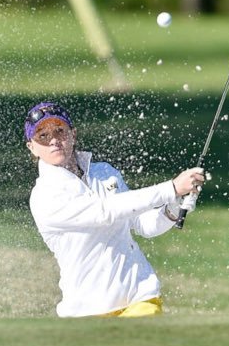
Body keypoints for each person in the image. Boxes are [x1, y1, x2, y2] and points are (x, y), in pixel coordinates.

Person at [25, 102, 205, 318]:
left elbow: (143, 224)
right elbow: (104, 212)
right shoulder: (44, 195)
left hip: (140, 295)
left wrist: (174, 204)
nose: (54, 140)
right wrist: (171, 188)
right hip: (88, 310)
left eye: (60, 131)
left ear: (73, 134)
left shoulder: (104, 172)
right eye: (42, 136)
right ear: (32, 148)